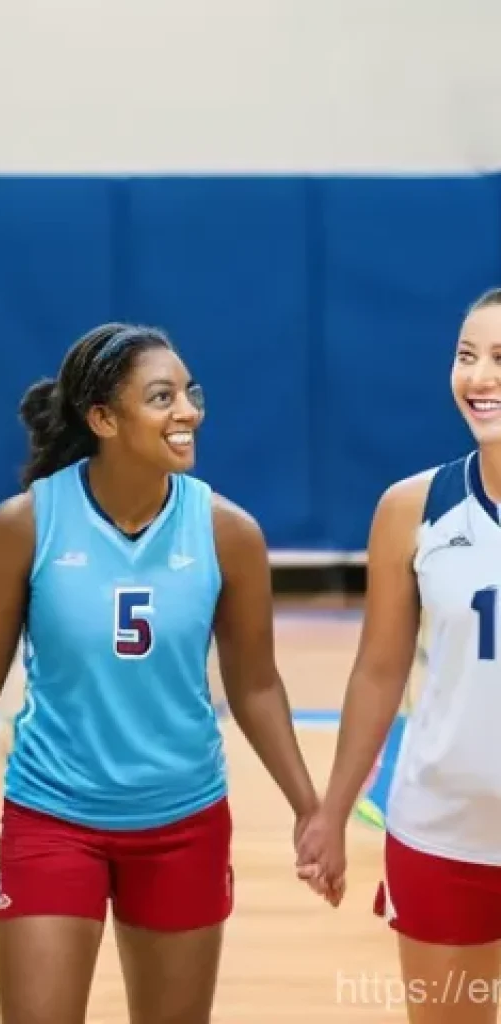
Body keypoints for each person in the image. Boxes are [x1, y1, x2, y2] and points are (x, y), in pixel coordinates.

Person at [0, 321, 319, 1023]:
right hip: (54, 819)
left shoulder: (228, 533)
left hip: (183, 823)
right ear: (104, 419)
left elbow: (256, 684)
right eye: (163, 397)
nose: (189, 413)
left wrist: (308, 807)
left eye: (190, 393)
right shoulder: (26, 526)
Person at [296, 287, 501, 1023]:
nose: (479, 378)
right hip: (444, 833)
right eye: (467, 356)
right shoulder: (411, 509)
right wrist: (332, 810)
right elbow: (379, 672)